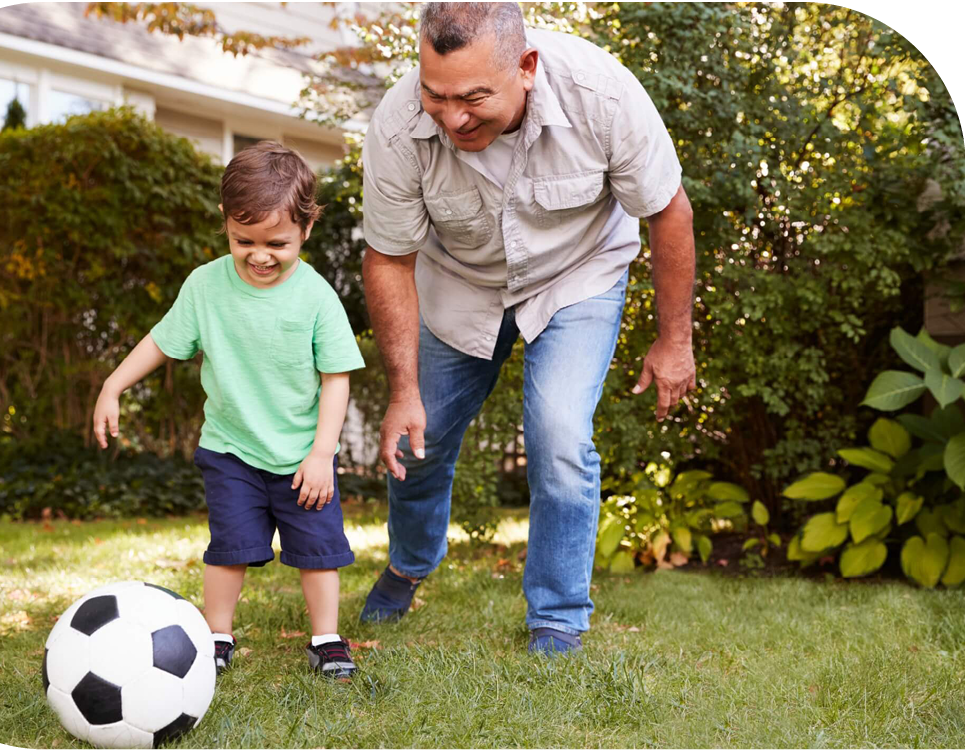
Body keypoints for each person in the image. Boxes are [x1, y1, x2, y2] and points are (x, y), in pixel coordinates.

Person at [359, 3, 696, 654]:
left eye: (473, 98)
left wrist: (673, 340)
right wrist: (402, 388)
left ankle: (557, 619)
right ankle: (407, 565)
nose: (453, 117)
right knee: (414, 445)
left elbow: (666, 211)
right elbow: (388, 259)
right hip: (458, 284)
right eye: (436, 95)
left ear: (527, 67)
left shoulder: (602, 93)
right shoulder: (397, 126)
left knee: (560, 437)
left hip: (578, 275)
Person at [92, 141, 366, 679]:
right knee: (228, 548)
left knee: (319, 550)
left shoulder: (315, 296)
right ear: (225, 223)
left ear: (306, 230)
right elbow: (162, 341)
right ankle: (216, 637)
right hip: (230, 449)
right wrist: (112, 384)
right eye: (245, 241)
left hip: (302, 456)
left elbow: (336, 379)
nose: (259, 255)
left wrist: (321, 453)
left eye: (277, 243)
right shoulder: (205, 285)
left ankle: (327, 639)